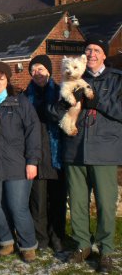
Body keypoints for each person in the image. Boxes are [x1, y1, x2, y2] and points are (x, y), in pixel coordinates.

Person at [48, 35, 122, 273]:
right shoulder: (72, 77)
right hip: (75, 149)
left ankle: (106, 250)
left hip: (104, 150)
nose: (91, 54)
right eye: (88, 50)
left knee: (105, 203)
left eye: (96, 50)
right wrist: (62, 106)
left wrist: (97, 101)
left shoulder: (117, 79)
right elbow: (51, 111)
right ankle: (82, 245)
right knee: (78, 203)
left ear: (104, 55)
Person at [0, 62, 41, 263]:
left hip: (17, 165)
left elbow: (33, 132)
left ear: (7, 80)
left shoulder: (19, 103)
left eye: (1, 78)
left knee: (17, 206)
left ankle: (27, 244)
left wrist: (32, 161)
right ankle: (6, 241)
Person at [24, 55, 66, 253]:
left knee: (57, 201)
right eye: (33, 70)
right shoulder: (25, 97)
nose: (37, 73)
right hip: (36, 156)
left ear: (48, 71)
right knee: (37, 202)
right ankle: (41, 239)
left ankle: (57, 237)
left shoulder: (60, 93)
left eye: (40, 69)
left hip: (56, 156)